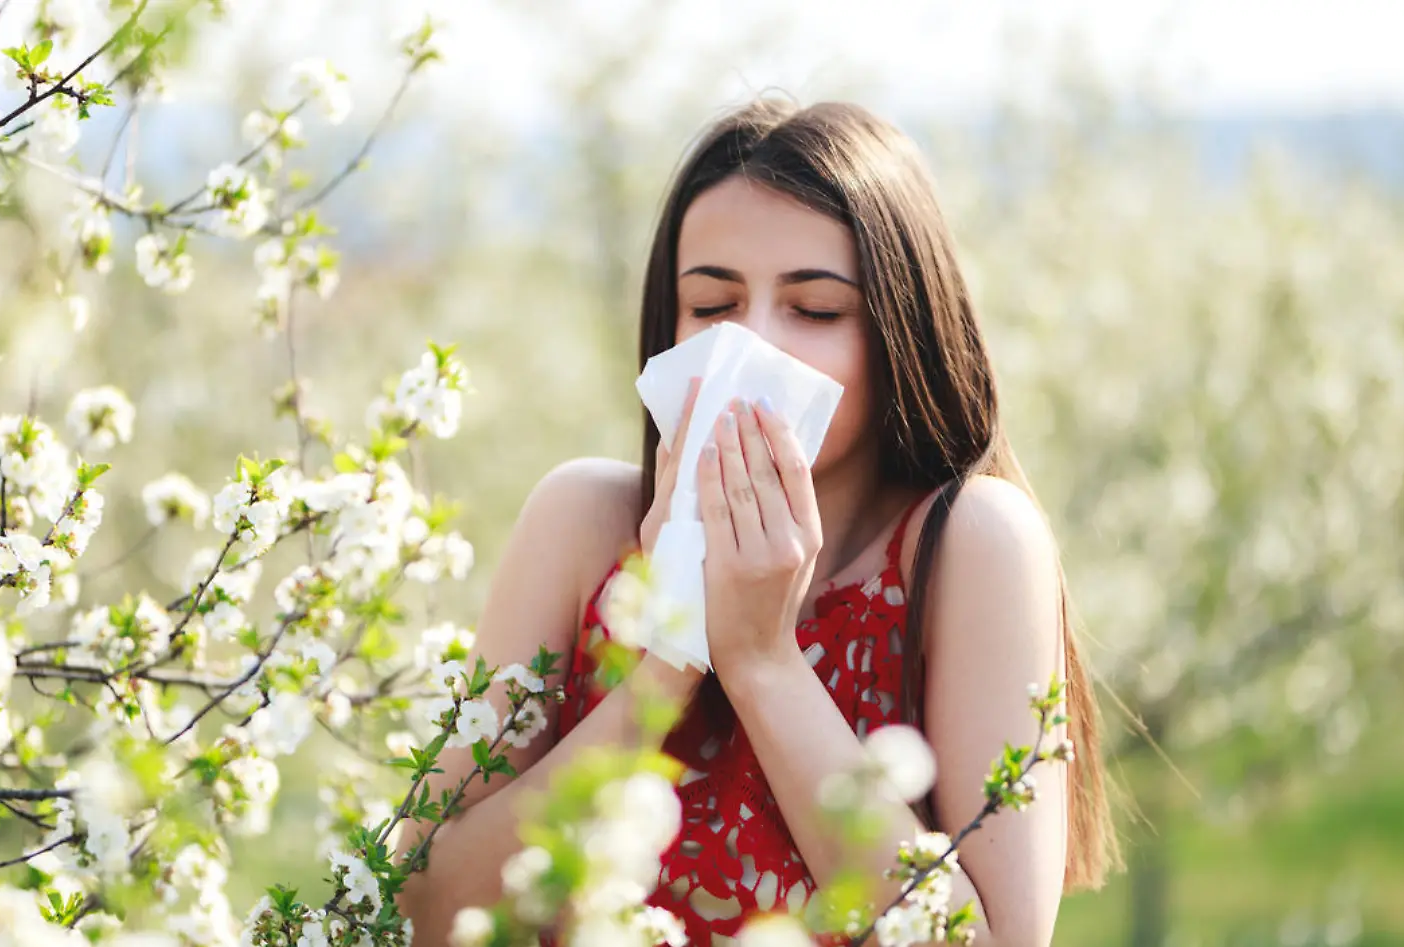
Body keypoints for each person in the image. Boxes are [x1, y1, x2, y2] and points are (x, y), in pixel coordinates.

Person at [399, 98, 1118, 946]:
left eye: (815, 310)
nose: (754, 346)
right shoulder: (581, 521)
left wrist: (762, 659)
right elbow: (427, 906)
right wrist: (668, 660)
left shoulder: (973, 544)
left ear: (900, 331)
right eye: (712, 305)